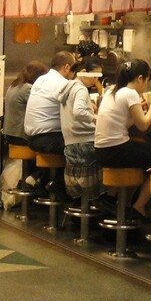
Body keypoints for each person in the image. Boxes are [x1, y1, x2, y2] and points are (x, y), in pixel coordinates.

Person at [94, 59, 151, 222]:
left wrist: (138, 109)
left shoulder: (112, 90)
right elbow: (143, 126)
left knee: (141, 151)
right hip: (115, 150)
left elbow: (120, 120)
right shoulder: (130, 93)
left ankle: (110, 198)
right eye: (146, 81)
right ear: (140, 78)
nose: (145, 85)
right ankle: (138, 207)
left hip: (102, 151)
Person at [23, 51, 76, 196]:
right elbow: (75, 112)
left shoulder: (41, 80)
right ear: (67, 67)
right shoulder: (62, 84)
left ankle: (42, 180)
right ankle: (60, 185)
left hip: (31, 138)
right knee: (81, 148)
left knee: (69, 145)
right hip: (48, 139)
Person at [1, 60, 49, 198]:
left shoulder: (14, 86)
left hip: (10, 135)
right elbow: (42, 107)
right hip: (21, 136)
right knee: (50, 151)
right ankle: (32, 180)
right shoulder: (28, 89)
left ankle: (28, 181)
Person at [58, 57, 103, 203]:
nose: (95, 81)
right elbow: (78, 112)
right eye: (94, 76)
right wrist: (96, 118)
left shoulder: (69, 87)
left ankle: (84, 206)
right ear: (83, 72)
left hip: (70, 144)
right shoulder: (81, 89)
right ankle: (107, 203)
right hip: (86, 143)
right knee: (115, 156)